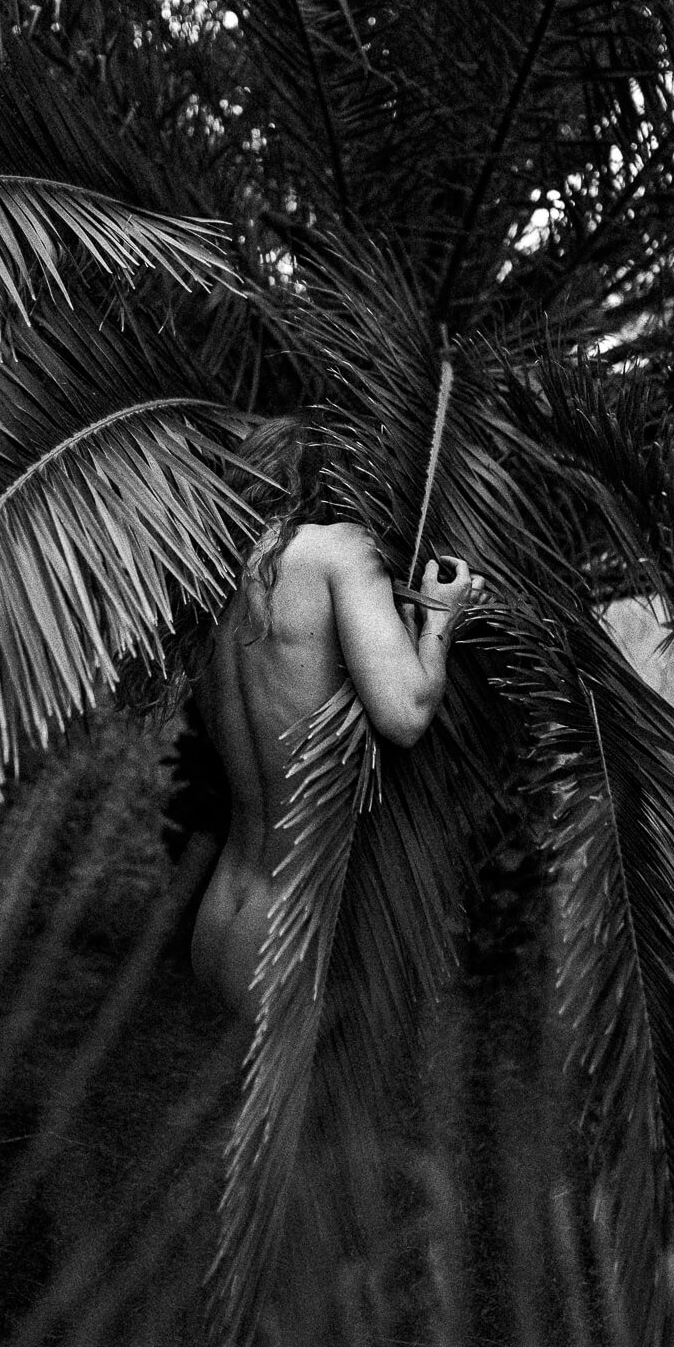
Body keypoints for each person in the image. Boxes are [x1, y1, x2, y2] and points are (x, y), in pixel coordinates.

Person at [191, 420, 484, 1022]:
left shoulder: (222, 577)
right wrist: (439, 621)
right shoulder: (339, 551)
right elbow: (405, 714)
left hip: (223, 907)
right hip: (290, 927)